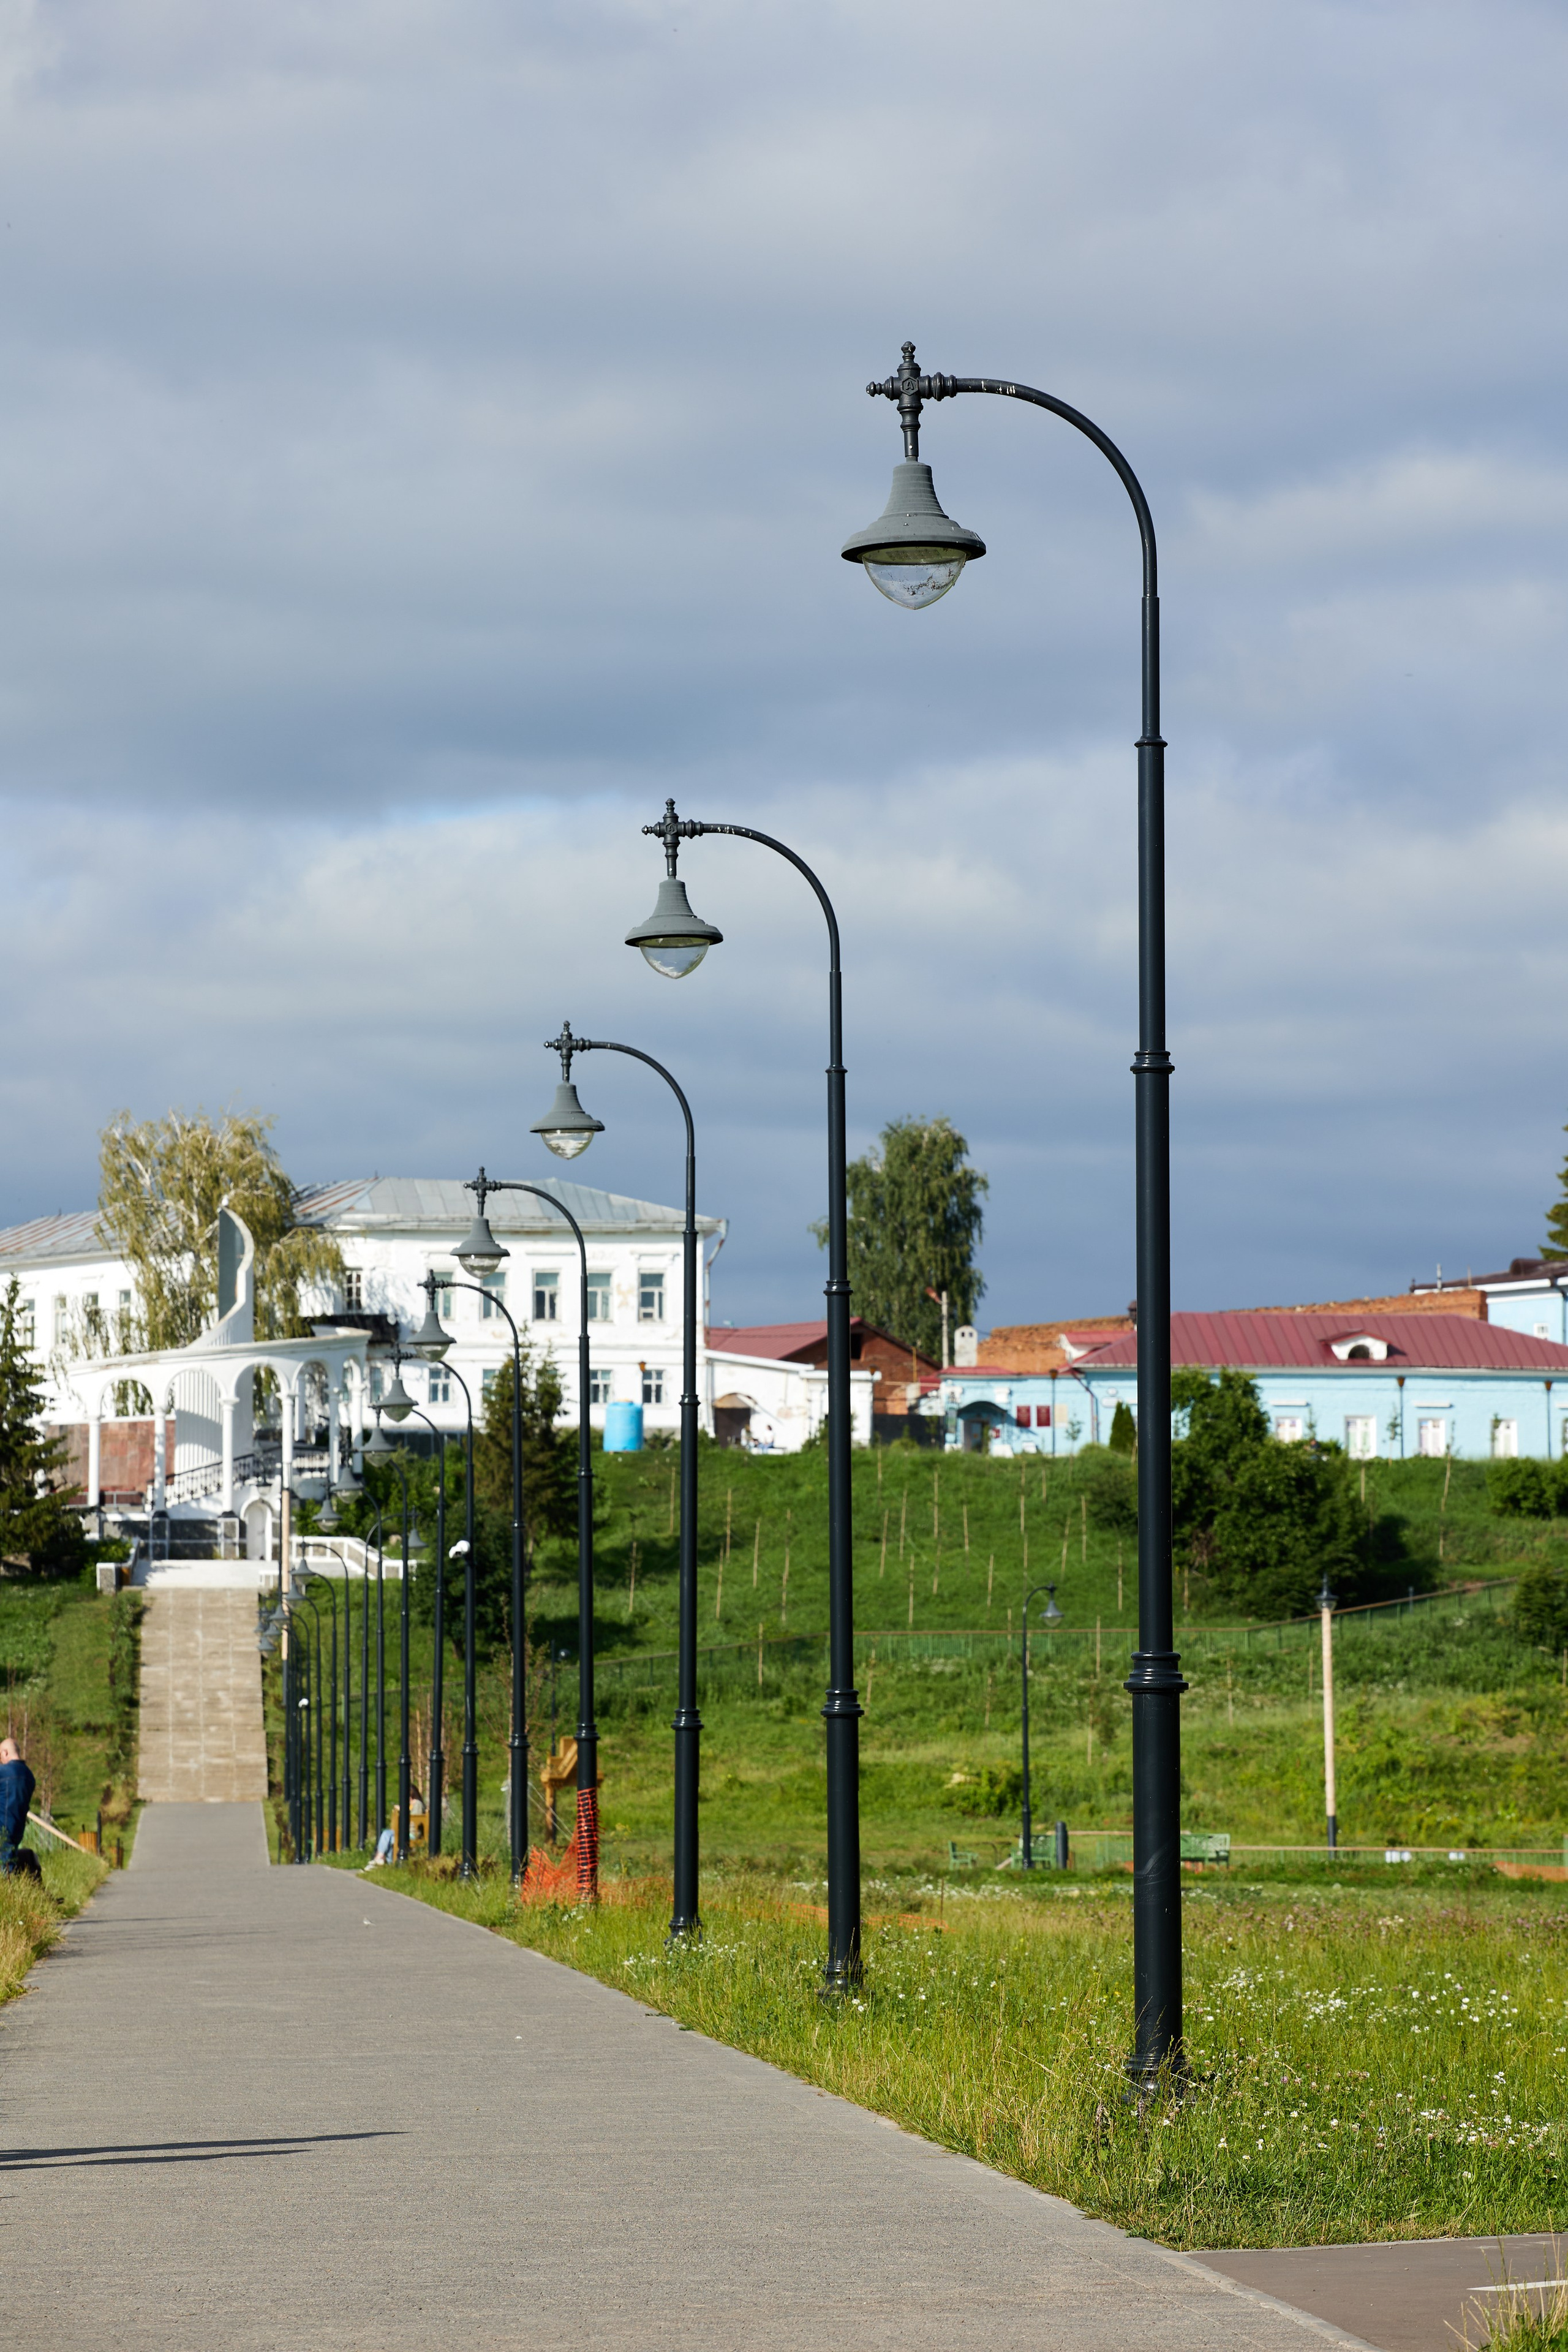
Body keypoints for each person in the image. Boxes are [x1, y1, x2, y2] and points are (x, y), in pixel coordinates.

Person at [0, 1736, 41, 1880]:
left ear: (5, 1753)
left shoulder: (4, 1772)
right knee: (9, 1866)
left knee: (5, 1874)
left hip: (2, 1829)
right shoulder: (29, 1776)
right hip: (17, 1830)